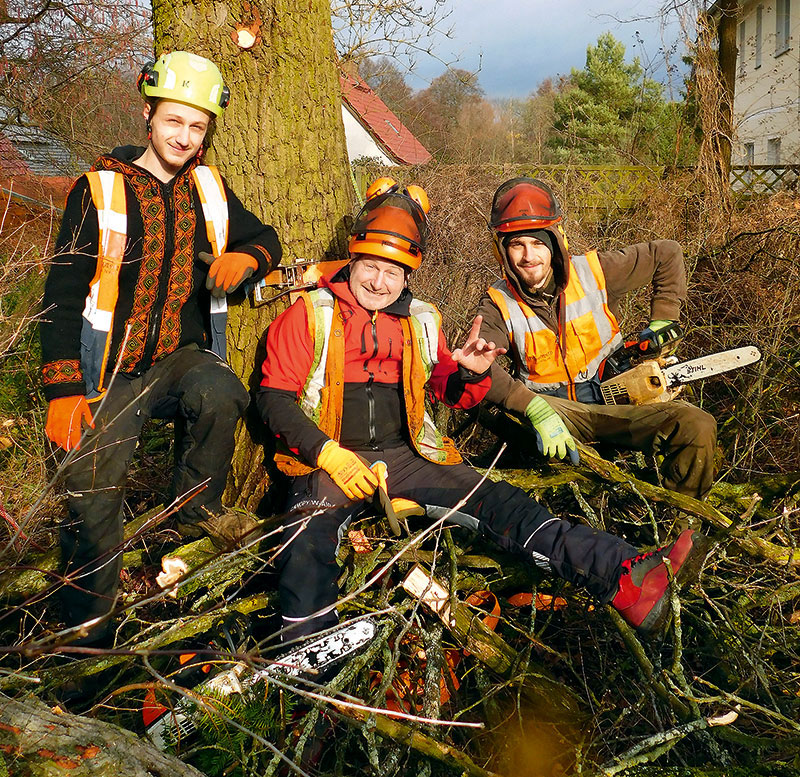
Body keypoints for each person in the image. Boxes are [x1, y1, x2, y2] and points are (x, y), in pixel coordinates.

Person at [257, 177, 707, 643]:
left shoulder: (421, 320)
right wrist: (326, 453)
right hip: (329, 458)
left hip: (408, 457)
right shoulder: (310, 313)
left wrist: (469, 373)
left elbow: (446, 389)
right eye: (370, 266)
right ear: (352, 262)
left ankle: (627, 576)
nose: (378, 282)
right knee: (307, 532)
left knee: (504, 504)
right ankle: (306, 643)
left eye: (393, 272)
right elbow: (274, 399)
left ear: (409, 275)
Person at [40, 51, 282, 644]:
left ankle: (184, 538)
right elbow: (62, 294)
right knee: (92, 496)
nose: (184, 136)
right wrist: (63, 388)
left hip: (179, 359)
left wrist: (247, 257)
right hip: (110, 369)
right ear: (148, 115)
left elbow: (267, 238)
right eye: (174, 121)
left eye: (197, 127)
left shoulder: (209, 190)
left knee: (223, 392)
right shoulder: (99, 190)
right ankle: (85, 641)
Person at [476, 177, 717, 499]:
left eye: (537, 244)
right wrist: (532, 407)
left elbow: (667, 254)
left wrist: (664, 318)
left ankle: (681, 521)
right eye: (517, 245)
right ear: (502, 251)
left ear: (555, 243)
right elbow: (476, 364)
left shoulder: (595, 272)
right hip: (557, 415)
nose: (528, 256)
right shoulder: (496, 303)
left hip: (617, 404)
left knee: (695, 424)